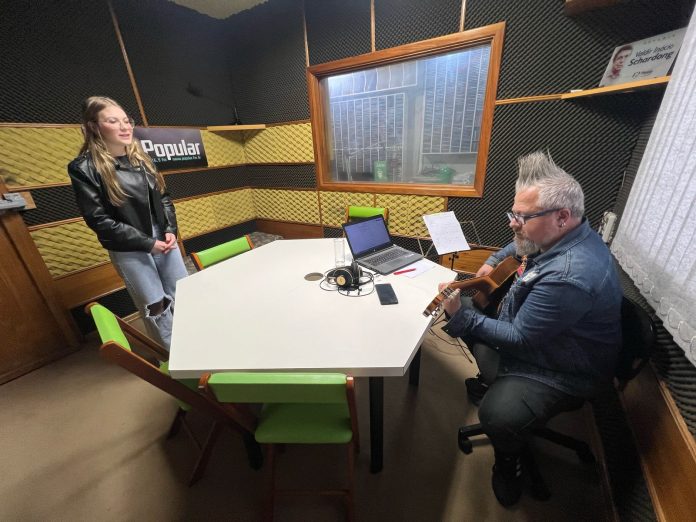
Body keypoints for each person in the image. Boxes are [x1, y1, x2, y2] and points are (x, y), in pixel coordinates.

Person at [439, 151, 622, 507]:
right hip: (545, 341)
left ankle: (508, 460)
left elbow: (521, 339)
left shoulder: (570, 274)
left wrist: (460, 315)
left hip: (564, 370)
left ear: (562, 217)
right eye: (513, 214)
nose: (513, 224)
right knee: (473, 311)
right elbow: (520, 244)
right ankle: (495, 380)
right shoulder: (567, 235)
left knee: (496, 414)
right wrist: (493, 260)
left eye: (522, 217)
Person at [68, 96, 188, 349]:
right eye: (113, 121)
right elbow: (99, 220)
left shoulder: (141, 158)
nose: (124, 127)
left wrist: (169, 230)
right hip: (130, 245)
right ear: (94, 126)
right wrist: (147, 243)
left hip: (163, 238)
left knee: (183, 293)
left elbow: (163, 198)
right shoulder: (84, 168)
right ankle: (172, 354)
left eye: (126, 120)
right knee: (156, 305)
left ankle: (194, 341)